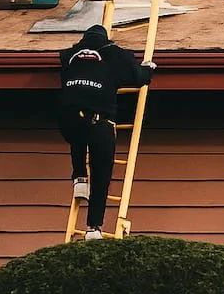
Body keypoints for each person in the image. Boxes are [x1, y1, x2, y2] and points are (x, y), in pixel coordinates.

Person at [58, 24, 155, 240]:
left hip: (67, 119)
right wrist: (148, 68)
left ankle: (80, 178)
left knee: (77, 134)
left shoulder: (69, 56)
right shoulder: (115, 54)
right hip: (99, 123)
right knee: (101, 176)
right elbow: (139, 77)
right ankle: (94, 228)